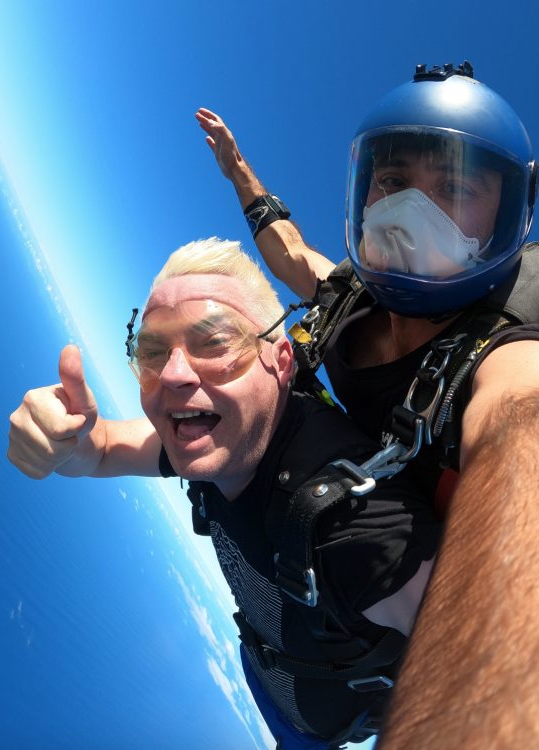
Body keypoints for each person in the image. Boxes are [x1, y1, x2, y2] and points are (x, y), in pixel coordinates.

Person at [195, 62, 539, 746]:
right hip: (284, 640)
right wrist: (240, 173)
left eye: (456, 187)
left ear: (506, 221)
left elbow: (519, 431)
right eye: (392, 180)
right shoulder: (352, 301)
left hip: (379, 662)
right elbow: (290, 252)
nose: (410, 207)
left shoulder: (504, 357)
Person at [8, 238, 440, 748]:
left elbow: (494, 678)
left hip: (320, 723)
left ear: (280, 362)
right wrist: (62, 445)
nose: (172, 374)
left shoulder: (356, 526)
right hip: (272, 672)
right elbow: (100, 449)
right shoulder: (215, 434)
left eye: (215, 343)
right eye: (151, 351)